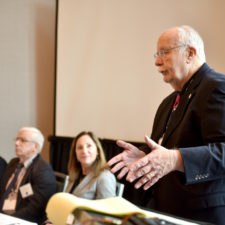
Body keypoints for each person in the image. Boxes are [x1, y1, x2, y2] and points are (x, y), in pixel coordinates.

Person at [108, 25, 225, 225]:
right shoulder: (168, 102)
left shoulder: (217, 87)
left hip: (200, 216)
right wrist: (145, 157)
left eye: (164, 52)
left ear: (190, 53)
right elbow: (165, 150)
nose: (157, 61)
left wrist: (175, 159)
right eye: (157, 54)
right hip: (164, 212)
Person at [0, 127, 56, 225]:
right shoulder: (13, 163)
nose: (16, 143)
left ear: (36, 146)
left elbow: (35, 209)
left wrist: (8, 219)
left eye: (22, 140)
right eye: (17, 139)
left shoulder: (43, 170)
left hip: (20, 220)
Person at [66, 131, 116, 199]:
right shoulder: (75, 174)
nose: (84, 151)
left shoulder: (105, 177)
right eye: (80, 147)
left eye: (89, 146)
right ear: (75, 153)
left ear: (97, 150)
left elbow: (106, 208)